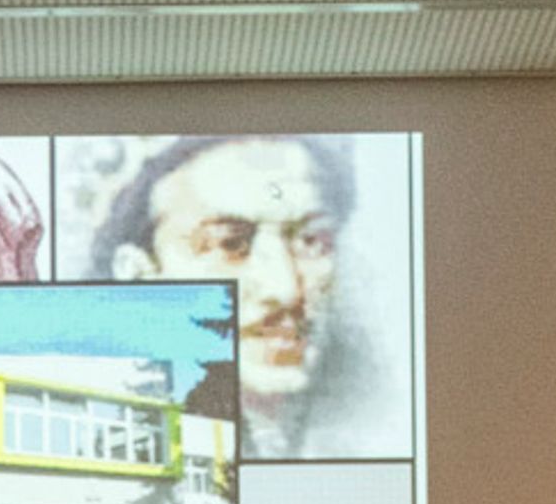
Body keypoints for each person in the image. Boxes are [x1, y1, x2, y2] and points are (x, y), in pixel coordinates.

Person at [84, 133, 390, 461]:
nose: (285, 289)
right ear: (140, 277)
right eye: (230, 244)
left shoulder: (370, 431)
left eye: (311, 240)